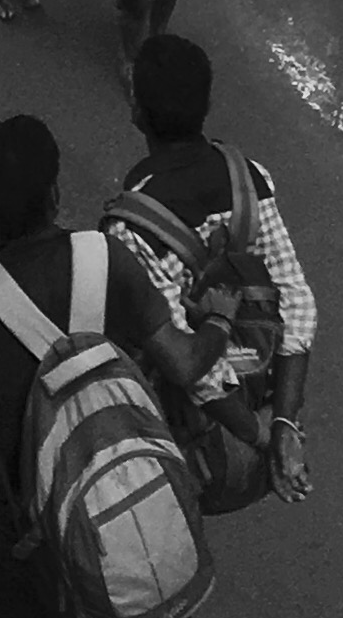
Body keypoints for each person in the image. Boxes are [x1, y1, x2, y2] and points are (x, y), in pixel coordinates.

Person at [0, 110, 237, 618]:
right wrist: (219, 318)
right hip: (132, 507)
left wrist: (7, 377)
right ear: (55, 194)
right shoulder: (105, 259)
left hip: (27, 538)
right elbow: (185, 362)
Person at [105, 35, 315, 516]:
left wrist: (258, 436)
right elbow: (297, 301)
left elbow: (189, 365)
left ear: (137, 111)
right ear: (207, 105)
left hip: (186, 416)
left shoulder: (131, 229)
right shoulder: (250, 179)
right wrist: (284, 424)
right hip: (254, 377)